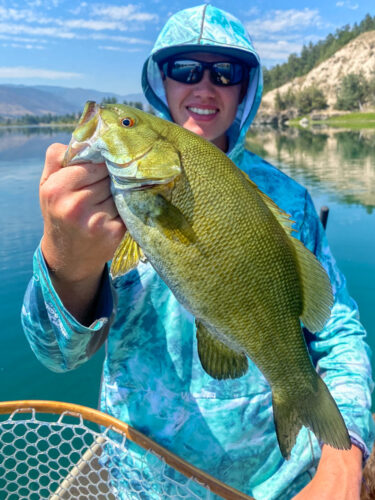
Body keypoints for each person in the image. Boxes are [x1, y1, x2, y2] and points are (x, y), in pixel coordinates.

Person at [22, 4, 374, 499]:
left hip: (275, 483)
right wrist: (67, 260)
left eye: (225, 72)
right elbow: (58, 356)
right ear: (160, 81)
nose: (204, 87)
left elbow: (337, 329)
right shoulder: (99, 201)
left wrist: (342, 460)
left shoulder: (290, 200)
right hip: (143, 483)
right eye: (184, 69)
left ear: (245, 88)